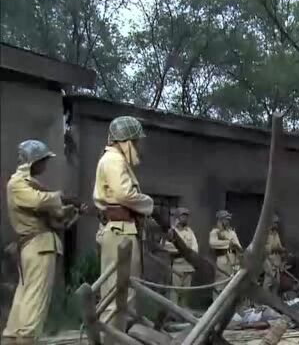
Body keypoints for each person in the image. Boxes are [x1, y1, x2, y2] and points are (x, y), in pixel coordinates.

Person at [2, 140, 79, 344]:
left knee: (25, 297)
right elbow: (39, 201)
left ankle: (13, 337)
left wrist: (68, 211)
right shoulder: (18, 184)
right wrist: (61, 197)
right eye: (43, 160)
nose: (45, 165)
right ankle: (24, 338)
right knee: (35, 301)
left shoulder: (30, 184)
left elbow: (48, 210)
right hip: (38, 246)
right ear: (33, 161)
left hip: (35, 246)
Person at [92, 116, 154, 326]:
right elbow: (124, 194)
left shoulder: (113, 160)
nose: (137, 145)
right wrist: (148, 203)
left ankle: (120, 334)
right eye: (135, 141)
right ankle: (114, 337)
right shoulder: (114, 160)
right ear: (126, 141)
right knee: (118, 291)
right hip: (121, 231)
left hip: (123, 229)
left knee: (124, 290)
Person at [162, 207, 198, 307]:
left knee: (186, 292)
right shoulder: (172, 232)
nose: (185, 218)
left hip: (188, 265)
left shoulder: (190, 232)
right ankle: (174, 313)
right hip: (176, 265)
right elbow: (166, 246)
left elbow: (195, 248)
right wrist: (182, 250)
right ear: (178, 217)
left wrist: (186, 251)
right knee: (175, 291)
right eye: (183, 216)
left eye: (186, 216)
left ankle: (183, 313)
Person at [209, 210, 242, 297]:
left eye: (228, 219)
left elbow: (238, 246)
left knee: (231, 287)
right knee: (220, 286)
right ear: (220, 220)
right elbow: (213, 243)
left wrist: (238, 260)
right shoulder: (215, 232)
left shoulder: (232, 232)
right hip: (222, 260)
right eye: (225, 219)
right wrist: (228, 244)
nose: (227, 221)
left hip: (233, 261)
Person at [263, 214, 285, 294]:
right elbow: (262, 249)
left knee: (277, 283)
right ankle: (265, 301)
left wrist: (281, 250)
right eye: (274, 223)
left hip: (276, 261)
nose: (276, 225)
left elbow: (279, 246)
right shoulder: (264, 234)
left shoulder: (276, 234)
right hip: (268, 261)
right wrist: (273, 248)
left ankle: (273, 300)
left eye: (277, 223)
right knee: (268, 282)